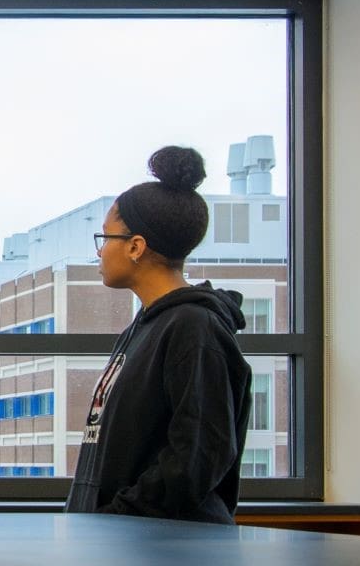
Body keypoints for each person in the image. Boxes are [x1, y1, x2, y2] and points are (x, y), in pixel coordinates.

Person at [66, 146, 254, 524]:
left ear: (136, 246)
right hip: (119, 539)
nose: (100, 252)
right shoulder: (145, 327)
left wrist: (119, 517)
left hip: (164, 547)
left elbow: (199, 454)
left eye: (106, 238)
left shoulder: (194, 328)